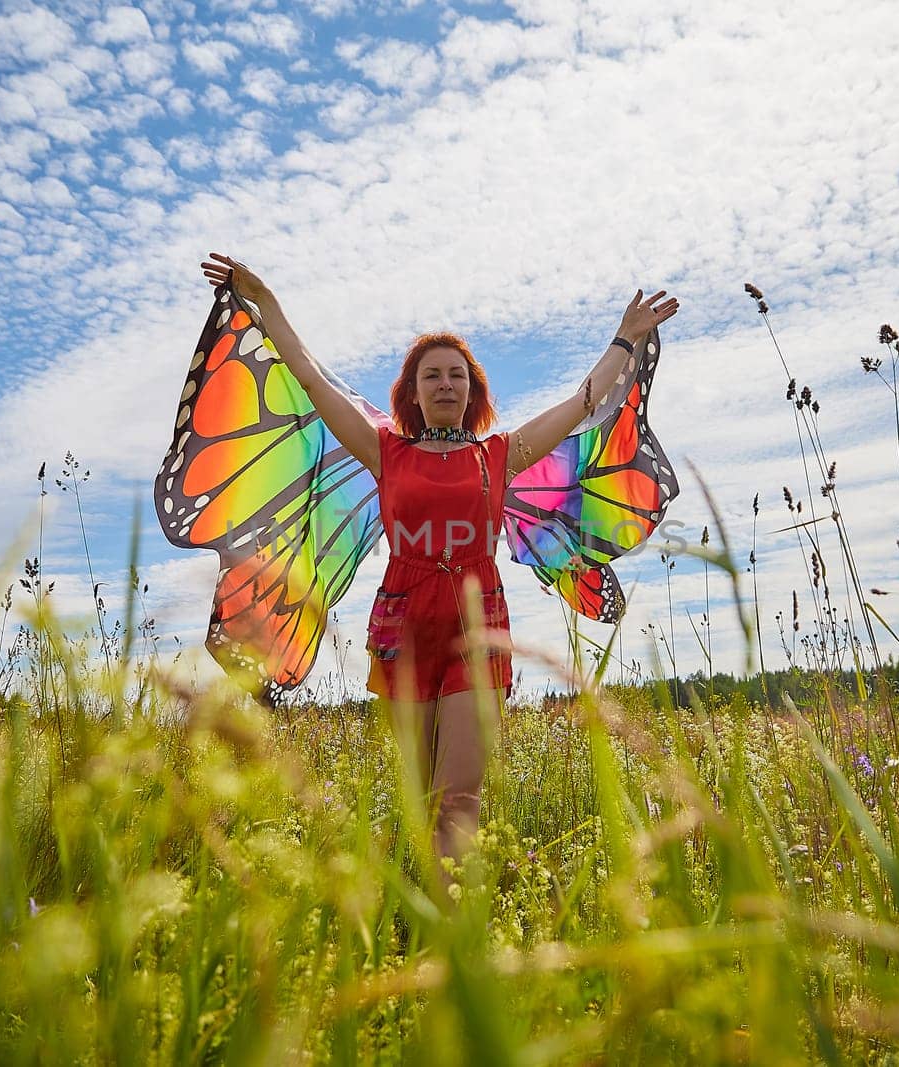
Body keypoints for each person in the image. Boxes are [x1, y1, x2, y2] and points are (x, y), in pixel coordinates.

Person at [197, 252, 679, 864]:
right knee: (416, 796)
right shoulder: (384, 450)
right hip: (403, 620)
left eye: (457, 375)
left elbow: (583, 402)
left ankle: (458, 933)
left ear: (472, 390)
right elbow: (313, 380)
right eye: (432, 376)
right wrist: (266, 302)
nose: (446, 384)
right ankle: (422, 929)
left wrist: (623, 340)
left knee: (459, 798)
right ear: (414, 393)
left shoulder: (500, 454)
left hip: (479, 620)